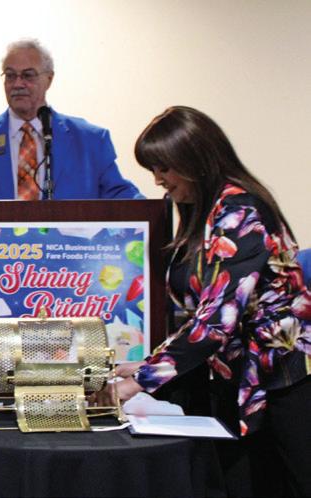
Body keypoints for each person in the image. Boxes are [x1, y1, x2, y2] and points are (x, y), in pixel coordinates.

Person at [95, 106, 311, 496]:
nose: (158, 179)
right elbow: (200, 313)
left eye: (164, 168)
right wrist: (149, 363)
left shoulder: (240, 211)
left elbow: (216, 320)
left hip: (286, 380)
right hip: (237, 379)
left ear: (194, 159)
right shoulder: (204, 212)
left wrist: (139, 382)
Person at [0, 38, 141, 239]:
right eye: (10, 75)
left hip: (66, 258)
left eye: (28, 75)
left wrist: (149, 216)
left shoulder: (90, 140)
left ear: (49, 79)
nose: (18, 84)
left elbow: (120, 194)